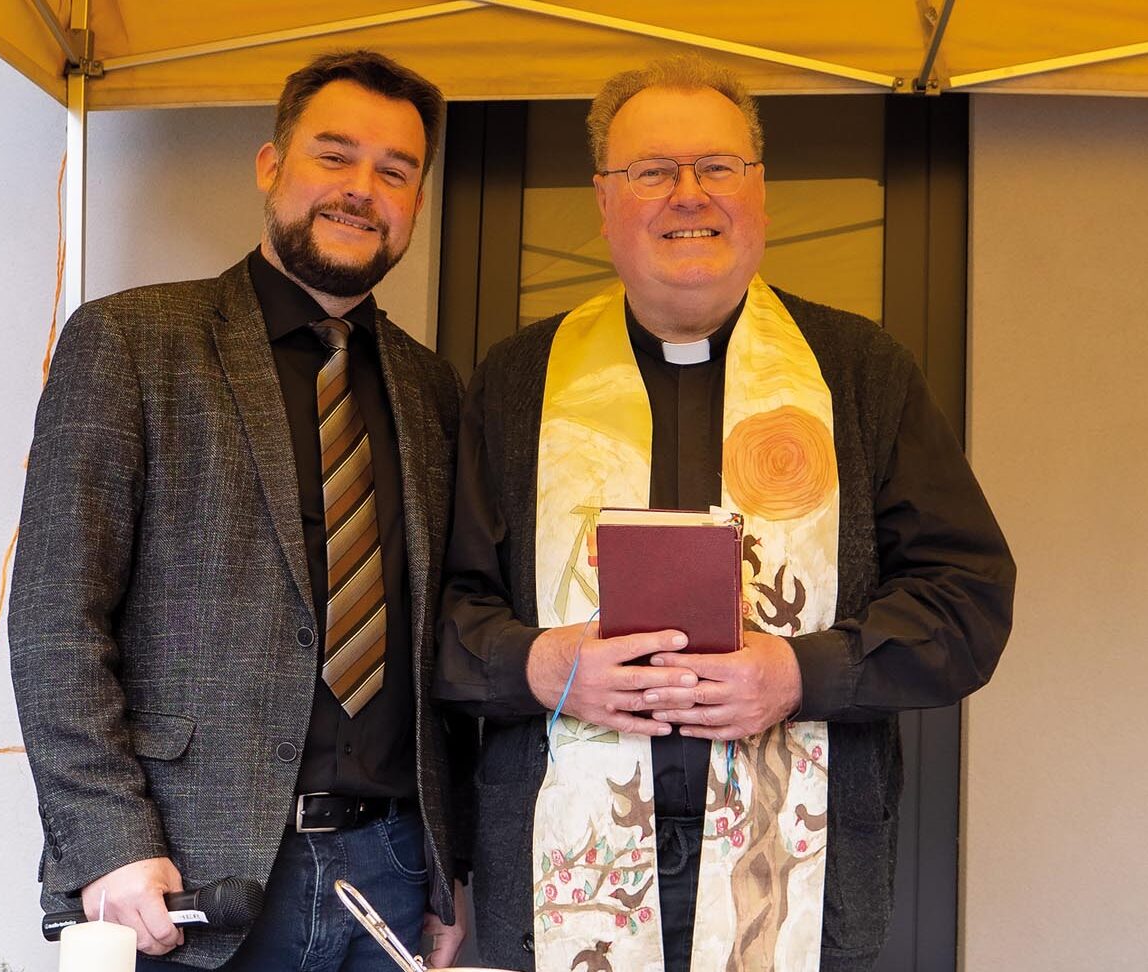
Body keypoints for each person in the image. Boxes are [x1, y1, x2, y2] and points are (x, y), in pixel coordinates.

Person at [435, 55, 1015, 972]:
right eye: (651, 171)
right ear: (603, 201)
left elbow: (966, 601)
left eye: (717, 166)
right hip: (553, 874)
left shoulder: (863, 374)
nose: (688, 195)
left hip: (806, 881)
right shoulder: (515, 383)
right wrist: (540, 665)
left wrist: (801, 673)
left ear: (760, 192)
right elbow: (443, 610)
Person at [10, 50, 472, 971]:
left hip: (391, 874)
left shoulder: (431, 389)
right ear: (270, 165)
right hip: (184, 878)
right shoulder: (131, 342)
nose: (362, 189)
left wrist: (443, 867)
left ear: (417, 201)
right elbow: (57, 618)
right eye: (334, 156)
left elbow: (435, 645)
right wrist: (108, 840)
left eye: (395, 171)